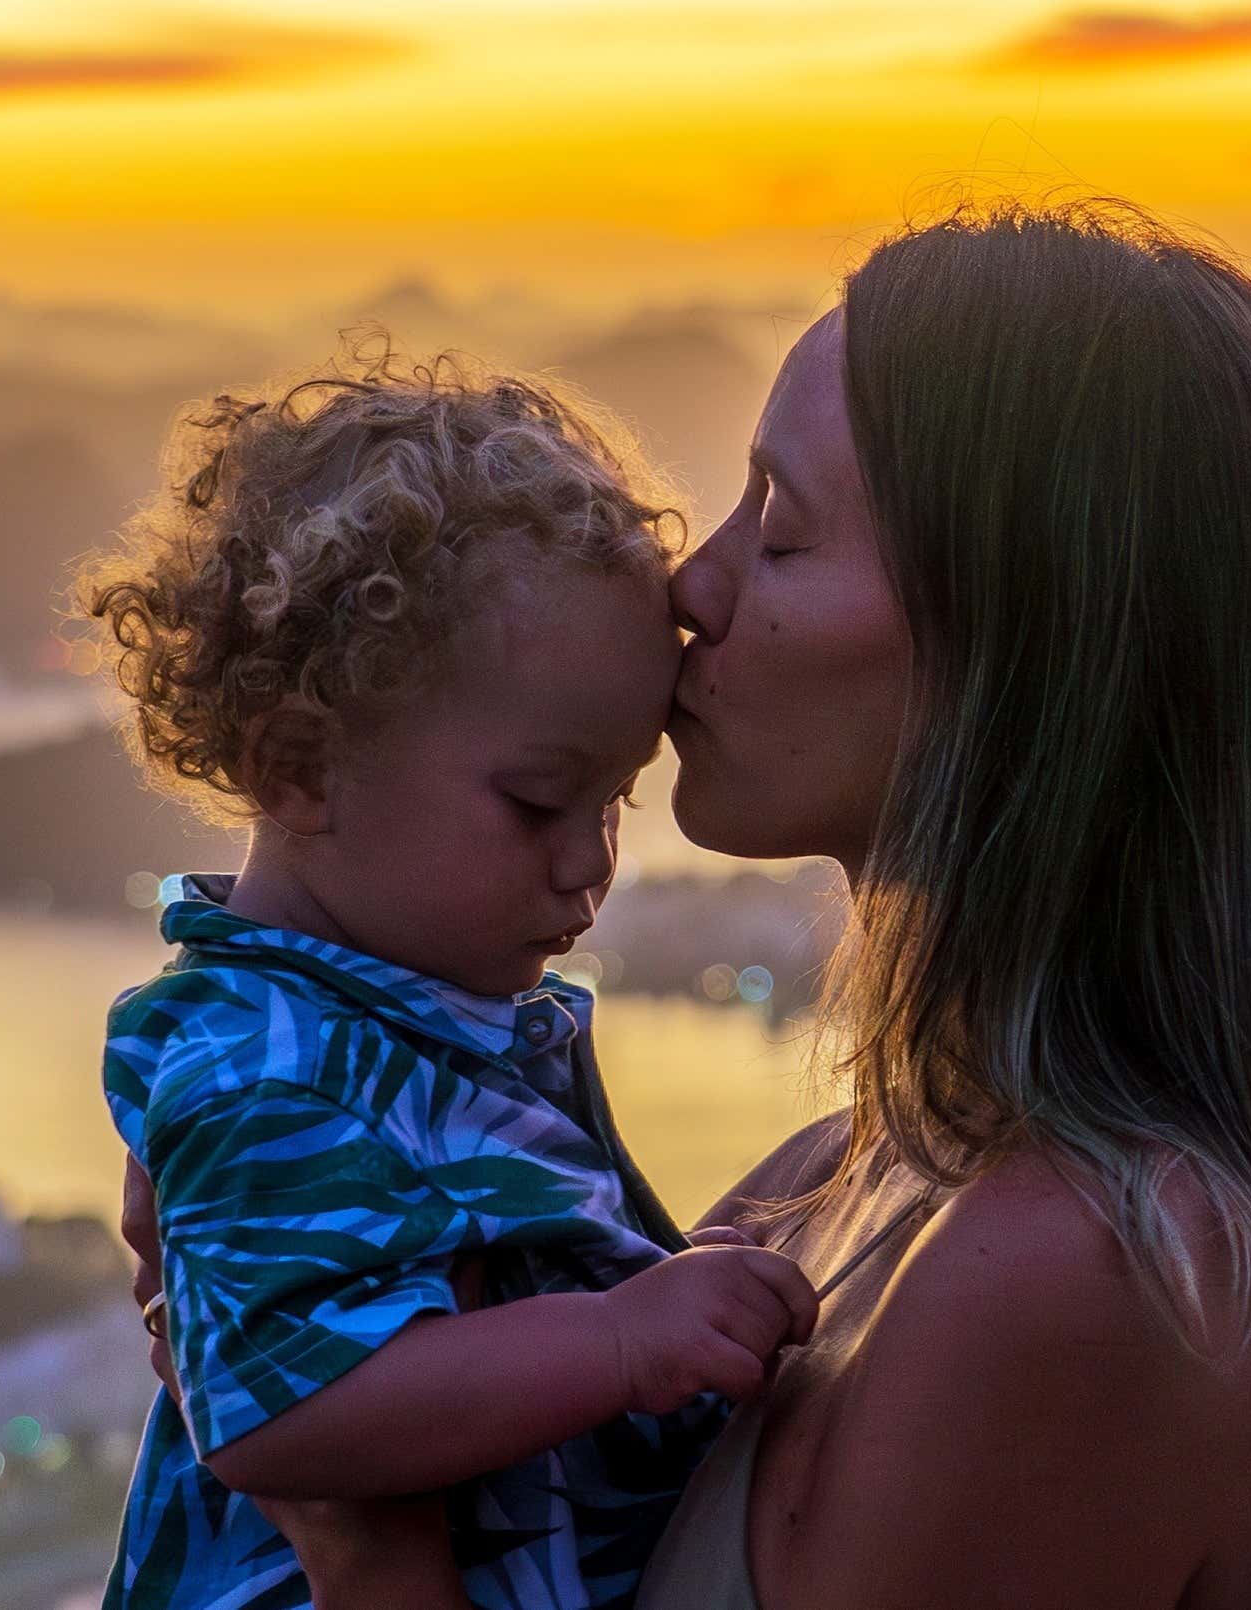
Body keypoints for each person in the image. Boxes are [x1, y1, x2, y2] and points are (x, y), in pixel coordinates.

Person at [140, 196, 1251, 1610]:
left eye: (785, 535)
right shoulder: (836, 1183)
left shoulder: (1080, 1274)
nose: (693, 581)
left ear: (1019, 657)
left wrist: (353, 1530)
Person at [76, 351, 826, 1610]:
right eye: (538, 798)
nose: (589, 861)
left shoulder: (410, 1019)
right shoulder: (260, 1059)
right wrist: (622, 1339)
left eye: (613, 799)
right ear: (298, 767)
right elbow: (289, 1420)